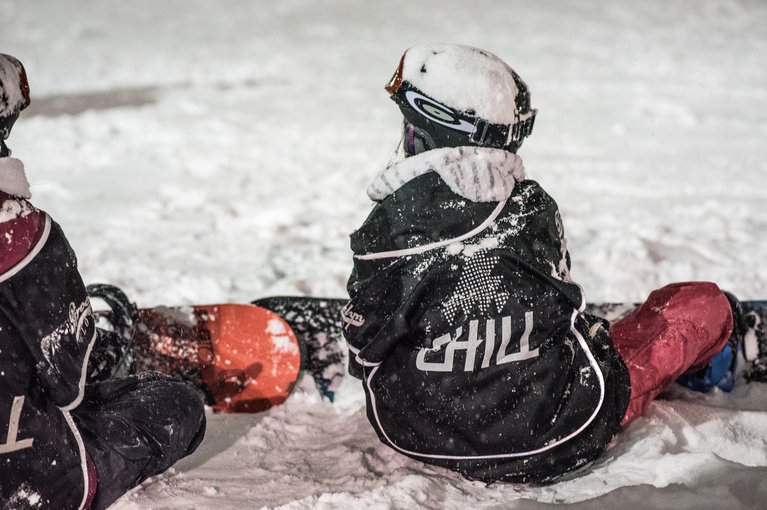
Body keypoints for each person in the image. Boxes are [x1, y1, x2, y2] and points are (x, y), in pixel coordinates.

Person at [342, 44, 758, 484]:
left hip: (418, 435)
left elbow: (361, 348)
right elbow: (565, 315)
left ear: (423, 133)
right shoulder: (530, 209)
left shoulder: (387, 229)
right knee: (703, 303)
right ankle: (719, 362)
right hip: (562, 431)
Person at [0, 53, 206, 510]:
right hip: (30, 485)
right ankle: (115, 345)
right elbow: (66, 388)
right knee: (176, 404)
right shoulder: (21, 235)